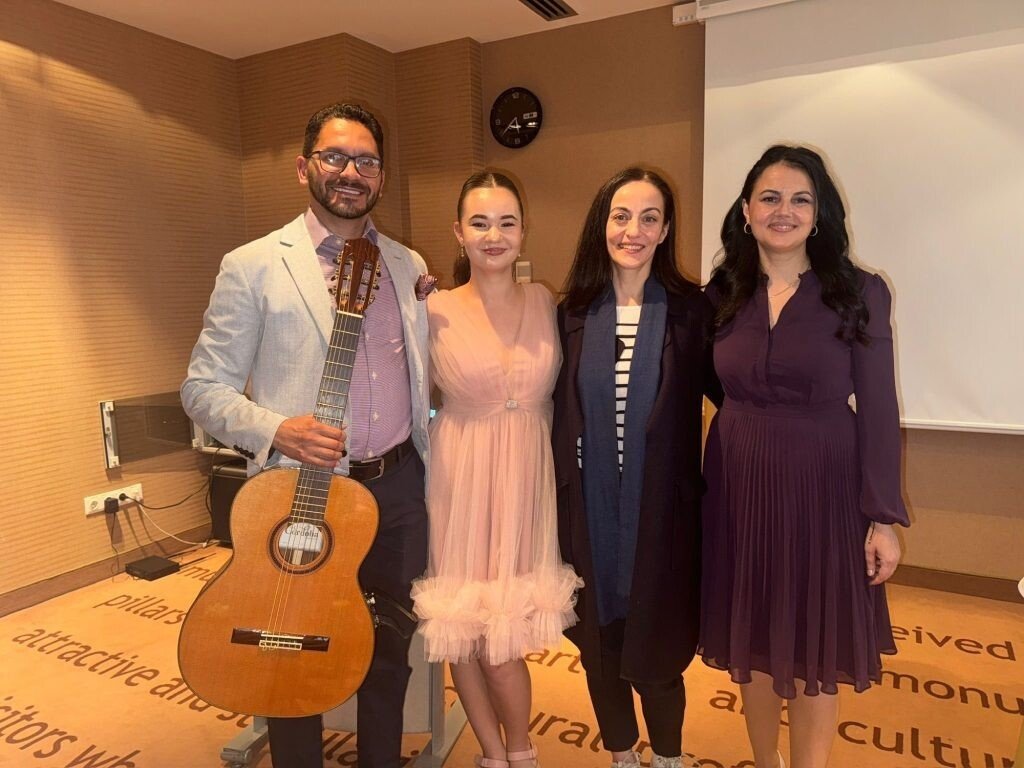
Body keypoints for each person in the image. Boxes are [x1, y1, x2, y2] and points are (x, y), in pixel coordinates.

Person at [181, 102, 430, 768]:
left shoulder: (406, 264)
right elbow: (201, 390)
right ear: (304, 167)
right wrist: (277, 429)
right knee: (289, 651)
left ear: (381, 176)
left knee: (389, 646)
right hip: (302, 496)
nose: (351, 172)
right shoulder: (254, 265)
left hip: (399, 492)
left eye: (367, 161)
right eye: (335, 157)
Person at [699, 145, 909, 768]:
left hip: (824, 486)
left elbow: (878, 407)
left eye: (799, 199)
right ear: (746, 210)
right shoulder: (721, 294)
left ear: (819, 215)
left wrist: (883, 517)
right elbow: (706, 381)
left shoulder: (858, 291)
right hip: (738, 484)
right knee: (754, 638)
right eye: (769, 198)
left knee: (817, 640)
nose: (783, 211)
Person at [551, 168, 721, 768]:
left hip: (664, 514)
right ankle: (622, 753)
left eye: (650, 218)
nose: (634, 230)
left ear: (666, 229)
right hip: (588, 512)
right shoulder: (572, 314)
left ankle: (669, 756)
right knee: (599, 649)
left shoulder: (691, 312)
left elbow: (734, 396)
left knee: (657, 652)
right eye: (621, 216)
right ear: (602, 223)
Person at [411, 171, 580, 768]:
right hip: (460, 479)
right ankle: (495, 754)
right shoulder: (432, 310)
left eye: (506, 222)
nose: (493, 235)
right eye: (479, 223)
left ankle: (520, 751)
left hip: (525, 481)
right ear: (458, 232)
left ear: (523, 230)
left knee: (503, 643)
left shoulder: (545, 302)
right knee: (462, 627)